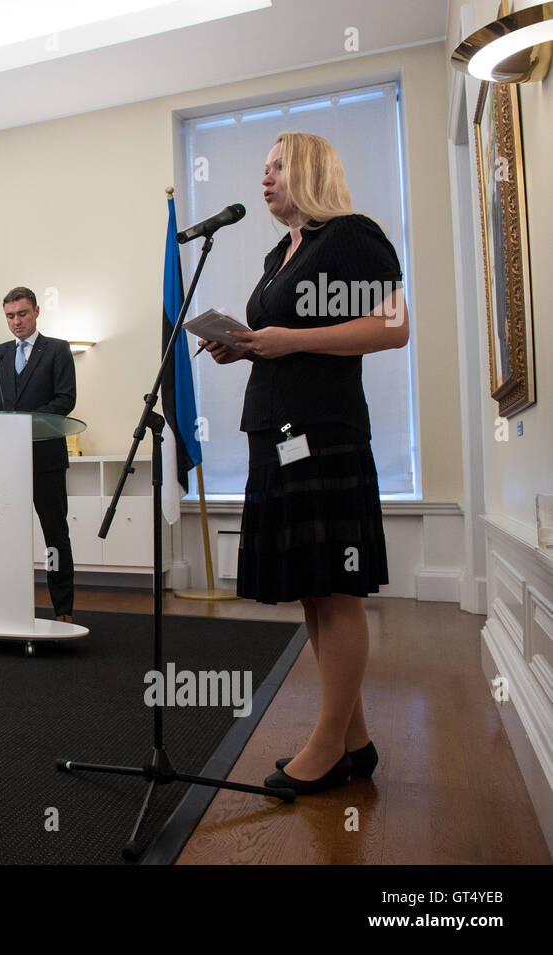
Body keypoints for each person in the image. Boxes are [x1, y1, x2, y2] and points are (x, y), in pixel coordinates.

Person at [199, 132, 409, 795]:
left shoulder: (348, 235)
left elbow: (392, 326)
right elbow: (282, 340)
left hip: (325, 431)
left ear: (311, 170)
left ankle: (326, 745)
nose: (265, 179)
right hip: (274, 429)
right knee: (315, 589)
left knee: (335, 589)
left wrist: (291, 339)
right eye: (262, 169)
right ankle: (355, 740)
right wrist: (249, 346)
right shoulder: (278, 252)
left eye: (277, 167)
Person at [0, 287, 78, 622]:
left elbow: (65, 400)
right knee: (6, 535)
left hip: (46, 458)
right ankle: (7, 602)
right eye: (10, 316)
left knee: (54, 536)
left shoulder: (58, 350)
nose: (16, 321)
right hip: (7, 460)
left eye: (22, 314)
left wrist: (26, 423)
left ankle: (62, 608)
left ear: (36, 311)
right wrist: (2, 424)